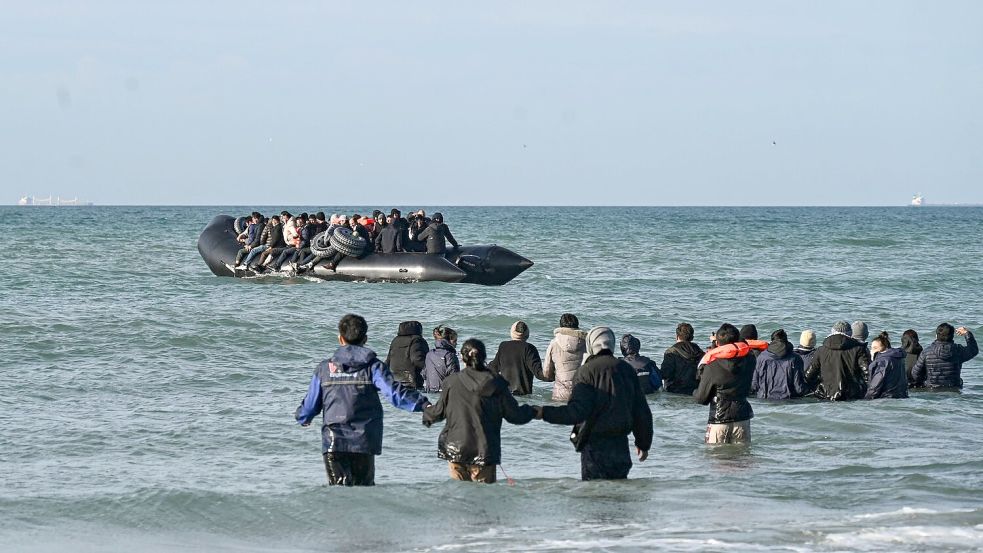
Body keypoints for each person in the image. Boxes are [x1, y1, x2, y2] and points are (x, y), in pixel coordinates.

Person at [294, 314, 430, 486]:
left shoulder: (323, 369)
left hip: (334, 442)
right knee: (364, 490)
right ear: (365, 339)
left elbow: (310, 406)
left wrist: (303, 417)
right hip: (364, 441)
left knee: (339, 493)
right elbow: (395, 394)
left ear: (340, 338)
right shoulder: (373, 366)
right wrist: (424, 404)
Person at [534, 327, 653, 480]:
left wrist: (543, 412)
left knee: (594, 495)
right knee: (619, 496)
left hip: (594, 448)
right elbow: (641, 411)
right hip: (620, 447)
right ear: (612, 343)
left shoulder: (585, 371)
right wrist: (643, 444)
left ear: (591, 344)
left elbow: (577, 412)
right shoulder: (626, 370)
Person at [423, 339, 536, 483]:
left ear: (463, 358)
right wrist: (535, 411)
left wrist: (425, 411)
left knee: (459, 498)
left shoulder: (451, 382)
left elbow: (438, 412)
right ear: (484, 357)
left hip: (455, 449)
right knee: (483, 499)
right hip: (484, 451)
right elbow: (515, 415)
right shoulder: (496, 382)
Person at [694, 323, 756, 444]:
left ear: (718, 343)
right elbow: (743, 346)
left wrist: (694, 392)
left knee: (716, 459)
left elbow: (701, 399)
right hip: (742, 417)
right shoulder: (750, 360)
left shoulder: (712, 366)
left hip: (719, 419)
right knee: (742, 460)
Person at [804, 321, 869, 401]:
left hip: (825, 395)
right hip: (851, 396)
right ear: (850, 333)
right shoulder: (859, 350)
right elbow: (868, 373)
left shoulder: (821, 350)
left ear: (832, 332)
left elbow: (809, 375)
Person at [911, 323, 978, 389]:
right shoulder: (958, 350)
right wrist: (967, 333)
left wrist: (926, 381)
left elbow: (915, 374)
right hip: (954, 389)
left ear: (936, 336)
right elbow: (974, 350)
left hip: (932, 389)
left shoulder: (926, 352)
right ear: (952, 336)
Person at [487, 321, 545, 396]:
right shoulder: (529, 348)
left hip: (506, 396)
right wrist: (557, 374)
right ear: (527, 334)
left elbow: (493, 368)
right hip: (524, 397)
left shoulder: (503, 346)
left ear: (512, 332)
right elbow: (539, 374)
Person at [750, 328, 808, 400]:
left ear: (772, 341)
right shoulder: (795, 358)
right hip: (788, 400)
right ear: (786, 341)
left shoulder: (761, 357)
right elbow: (799, 388)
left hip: (765, 400)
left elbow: (754, 385)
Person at [542, 313, 588, 402]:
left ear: (561, 326)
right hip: (582, 392)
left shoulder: (554, 343)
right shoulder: (586, 343)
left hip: (560, 393)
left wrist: (553, 377)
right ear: (577, 326)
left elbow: (547, 372)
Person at [660, 323, 704, 394]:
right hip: (695, 391)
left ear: (677, 336)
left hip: (674, 391)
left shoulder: (671, 352)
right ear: (692, 337)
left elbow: (665, 374)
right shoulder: (700, 352)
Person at [385, 320, 429, 389]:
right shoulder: (417, 340)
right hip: (411, 380)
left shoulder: (395, 340)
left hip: (395, 379)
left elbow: (388, 361)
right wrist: (430, 370)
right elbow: (417, 359)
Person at [865, 332, 909, 399]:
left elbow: (875, 386)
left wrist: (866, 399)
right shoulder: (899, 358)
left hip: (886, 398)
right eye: (871, 348)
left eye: (875, 348)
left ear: (884, 348)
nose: (872, 351)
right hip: (902, 396)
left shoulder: (882, 361)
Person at [423, 326, 460, 392]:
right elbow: (455, 379)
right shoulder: (450, 355)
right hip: (444, 393)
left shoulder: (429, 354)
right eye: (455, 341)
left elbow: (424, 374)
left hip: (430, 391)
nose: (456, 344)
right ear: (449, 341)